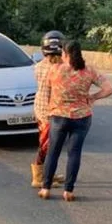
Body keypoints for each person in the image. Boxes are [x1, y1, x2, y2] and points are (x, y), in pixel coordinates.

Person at [40, 41, 112, 201]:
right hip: (82, 118)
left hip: (58, 116)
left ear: (65, 54)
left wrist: (47, 111)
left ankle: (46, 188)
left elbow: (46, 91)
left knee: (53, 152)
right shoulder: (89, 71)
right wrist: (93, 97)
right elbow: (110, 88)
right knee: (74, 153)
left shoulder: (54, 69)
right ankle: (68, 190)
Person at [31, 31, 66, 188]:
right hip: (49, 111)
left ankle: (47, 173)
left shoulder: (39, 66)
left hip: (40, 108)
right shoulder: (59, 68)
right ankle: (38, 177)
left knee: (48, 144)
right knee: (47, 145)